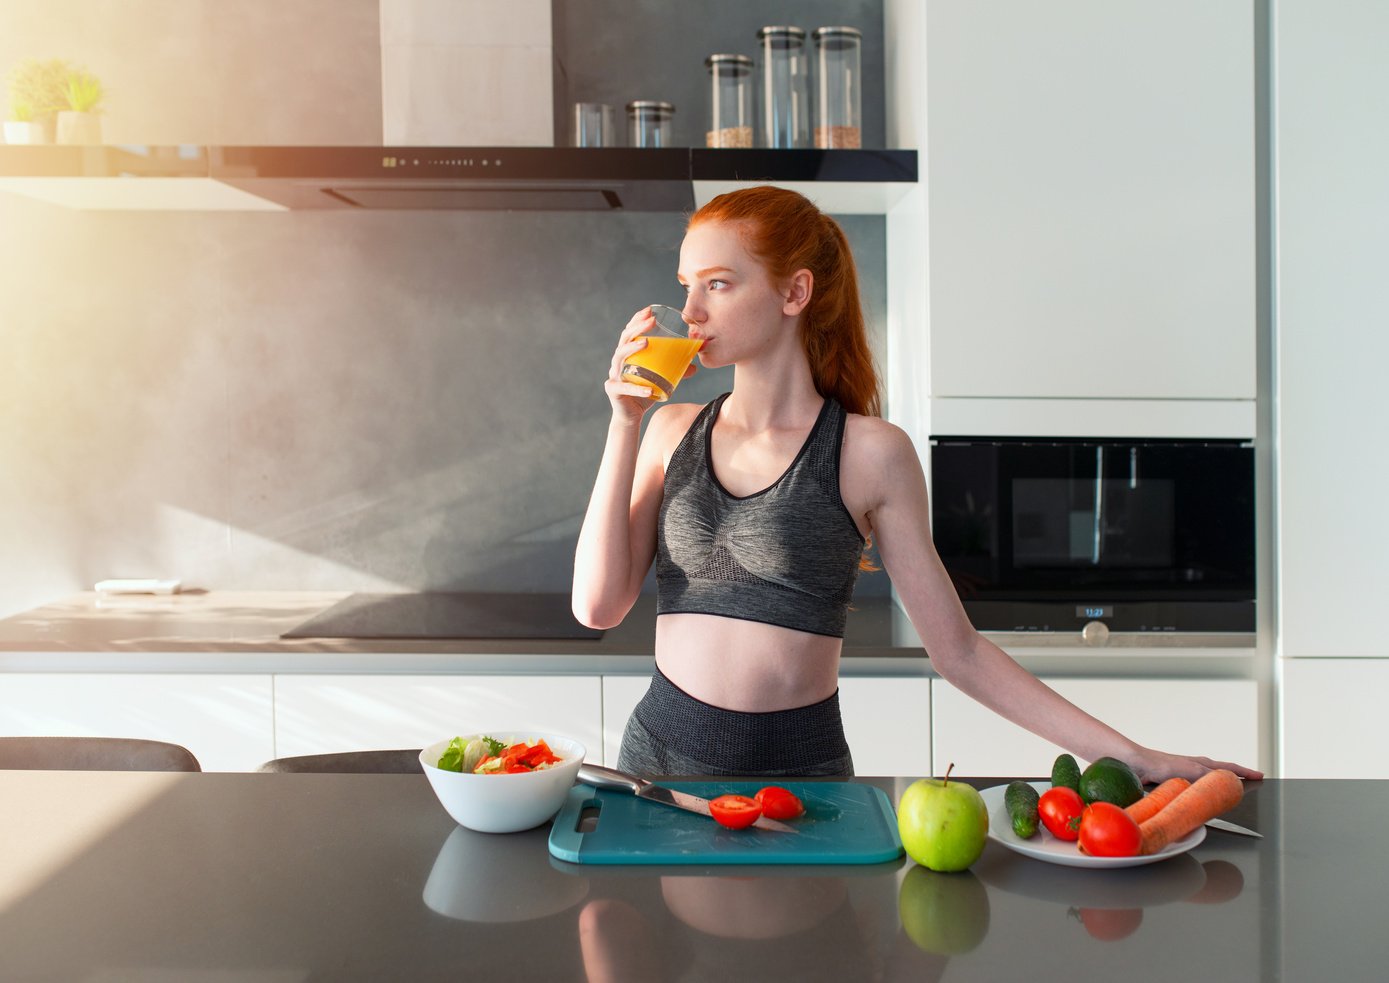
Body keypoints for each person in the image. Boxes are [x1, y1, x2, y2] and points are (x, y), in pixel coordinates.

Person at [572, 185, 1262, 784]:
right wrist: (623, 423)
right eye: (685, 283)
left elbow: (958, 652)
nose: (688, 310)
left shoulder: (868, 453)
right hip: (653, 767)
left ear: (793, 291)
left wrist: (1130, 755)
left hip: (798, 785)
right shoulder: (670, 430)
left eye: (716, 283)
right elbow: (598, 607)